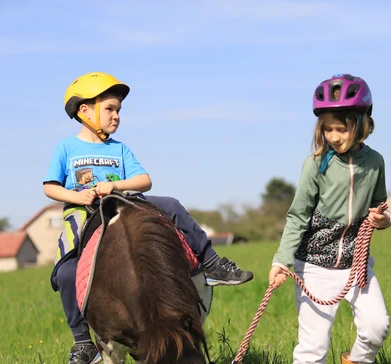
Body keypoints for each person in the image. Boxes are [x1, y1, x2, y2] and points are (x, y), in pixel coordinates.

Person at [44, 72, 253, 364]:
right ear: (84, 110)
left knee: (172, 205)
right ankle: (82, 342)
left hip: (123, 202)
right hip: (87, 210)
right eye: (110, 109)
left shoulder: (119, 148)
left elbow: (144, 180)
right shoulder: (66, 148)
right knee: (66, 273)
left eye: (118, 110)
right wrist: (78, 196)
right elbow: (50, 187)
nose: (116, 116)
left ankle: (211, 263)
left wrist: (115, 186)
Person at [268, 74, 391, 364]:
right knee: (313, 349)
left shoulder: (375, 162)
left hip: (356, 263)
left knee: (377, 328)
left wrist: (383, 219)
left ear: (362, 124)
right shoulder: (315, 166)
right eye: (328, 129)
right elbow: (298, 216)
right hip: (314, 267)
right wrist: (280, 259)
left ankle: (356, 360)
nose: (334, 136)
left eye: (342, 128)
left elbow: (380, 206)